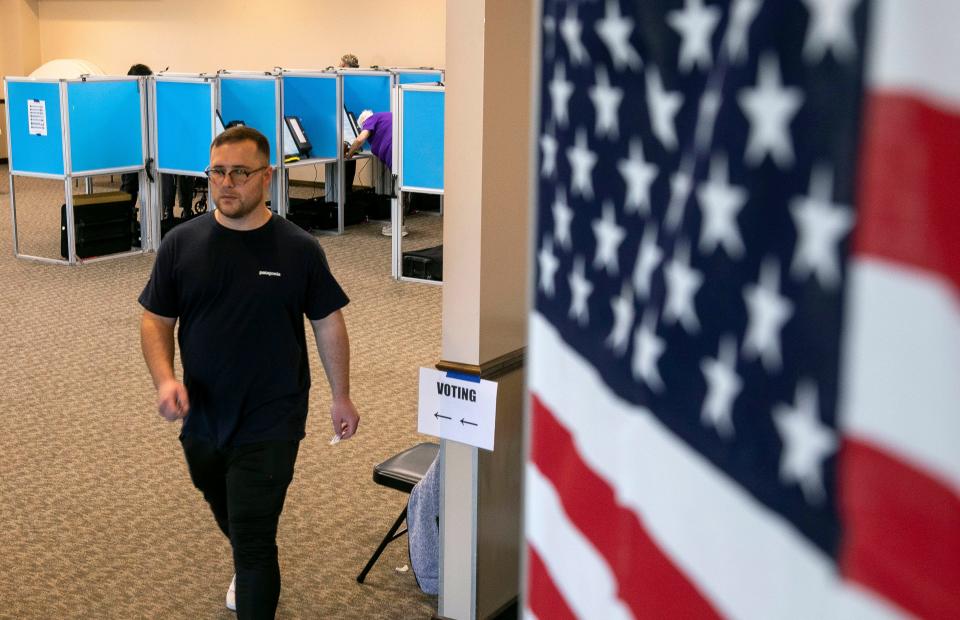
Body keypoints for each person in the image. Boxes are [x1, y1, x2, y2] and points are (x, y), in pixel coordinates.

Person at [139, 126, 360, 618]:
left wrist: (340, 395)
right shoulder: (181, 244)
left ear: (267, 175)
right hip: (202, 411)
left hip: (272, 416)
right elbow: (156, 320)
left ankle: (249, 563)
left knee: (257, 540)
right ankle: (243, 550)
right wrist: (165, 380)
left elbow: (327, 322)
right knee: (219, 497)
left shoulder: (298, 249)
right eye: (217, 172)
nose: (227, 183)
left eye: (240, 172)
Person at [120, 63, 195, 224]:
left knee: (174, 172)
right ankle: (124, 218)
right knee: (130, 184)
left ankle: (176, 211)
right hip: (135, 149)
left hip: (160, 149)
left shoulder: (159, 97)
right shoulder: (126, 100)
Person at [345, 110, 406, 236]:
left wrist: (349, 154)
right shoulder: (388, 115)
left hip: (394, 154)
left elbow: (360, 139)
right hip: (406, 148)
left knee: (397, 190)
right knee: (403, 189)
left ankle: (398, 227)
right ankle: (400, 224)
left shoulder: (370, 120)